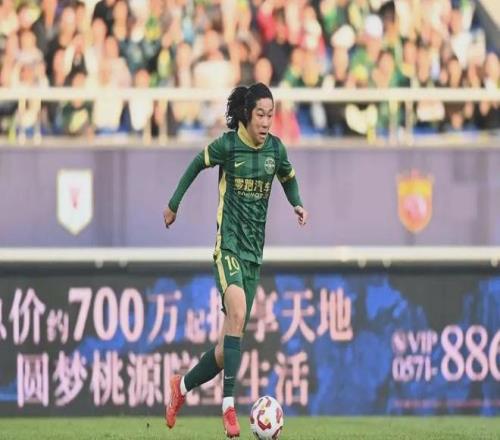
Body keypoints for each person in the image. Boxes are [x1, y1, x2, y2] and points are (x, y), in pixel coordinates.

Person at [162, 82, 308, 438]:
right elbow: (196, 164)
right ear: (246, 114)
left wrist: (297, 203)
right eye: (260, 114)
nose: (266, 122)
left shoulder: (275, 150)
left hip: (254, 256)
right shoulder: (228, 146)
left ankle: (181, 386)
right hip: (227, 247)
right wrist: (173, 204)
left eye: (270, 115)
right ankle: (228, 406)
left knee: (226, 348)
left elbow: (288, 177)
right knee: (238, 310)